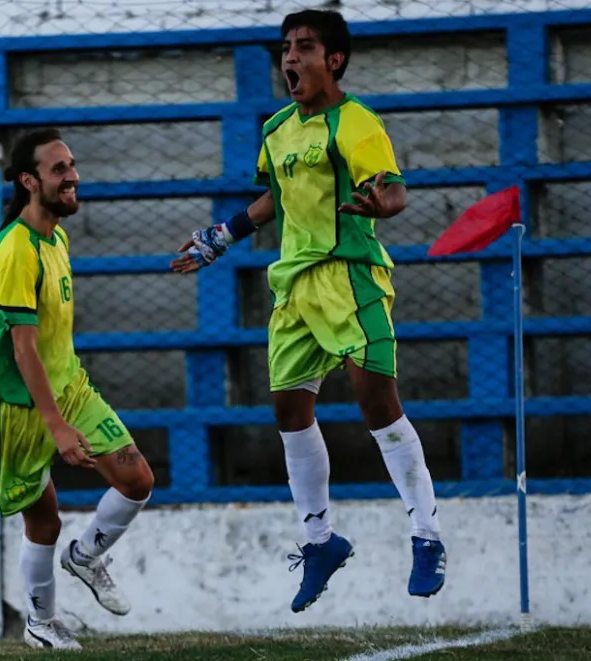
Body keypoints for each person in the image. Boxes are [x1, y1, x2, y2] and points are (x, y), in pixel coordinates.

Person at [170, 9, 446, 613]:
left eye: (304, 47)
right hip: (294, 285)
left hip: (349, 277)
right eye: (286, 48)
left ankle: (427, 536)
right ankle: (319, 541)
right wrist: (221, 236)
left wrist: (381, 203)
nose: (290, 58)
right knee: (289, 411)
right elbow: (276, 197)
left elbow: (393, 190)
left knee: (378, 404)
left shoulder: (357, 123)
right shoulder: (277, 128)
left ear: (334, 60)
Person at [0, 128, 155, 650]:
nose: (72, 175)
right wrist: (57, 424)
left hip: (68, 382)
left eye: (72, 164)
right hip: (17, 401)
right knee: (43, 517)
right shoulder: (15, 249)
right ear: (29, 182)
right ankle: (40, 622)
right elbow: (24, 349)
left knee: (136, 478)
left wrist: (67, 406)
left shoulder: (57, 236)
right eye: (58, 169)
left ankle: (87, 556)